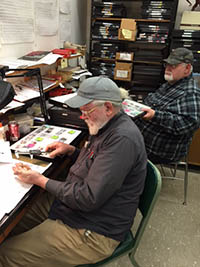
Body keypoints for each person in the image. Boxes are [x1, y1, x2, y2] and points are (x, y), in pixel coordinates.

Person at [0, 76, 147, 267]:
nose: (81, 116)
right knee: (11, 225)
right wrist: (72, 151)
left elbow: (88, 198)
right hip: (73, 209)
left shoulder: (122, 140)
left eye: (86, 111)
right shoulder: (106, 124)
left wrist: (40, 180)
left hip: (94, 231)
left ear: (108, 108)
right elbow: (98, 164)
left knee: (5, 254)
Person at [135, 47, 200, 164]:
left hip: (159, 151)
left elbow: (187, 124)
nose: (168, 68)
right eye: (167, 64)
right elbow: (151, 100)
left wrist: (155, 115)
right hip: (143, 139)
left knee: (117, 147)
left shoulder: (190, 92)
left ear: (187, 68)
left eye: (173, 65)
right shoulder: (169, 84)